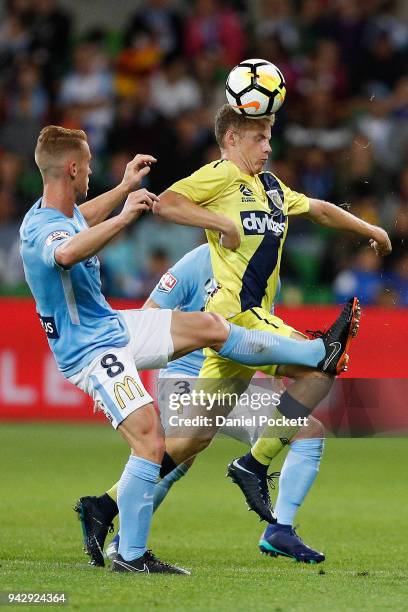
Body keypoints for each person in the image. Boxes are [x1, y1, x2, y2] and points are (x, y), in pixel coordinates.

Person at [20, 126, 352, 574]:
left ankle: (313, 355)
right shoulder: (41, 229)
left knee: (212, 326)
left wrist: (122, 190)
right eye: (90, 167)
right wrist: (123, 217)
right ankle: (131, 555)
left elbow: (78, 222)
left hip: (113, 325)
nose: (91, 174)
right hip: (89, 350)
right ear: (74, 168)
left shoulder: (61, 215)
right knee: (152, 440)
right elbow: (66, 253)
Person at [153, 104, 391, 523]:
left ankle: (106, 505)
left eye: (268, 137)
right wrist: (219, 223)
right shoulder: (223, 173)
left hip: (238, 331)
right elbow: (167, 204)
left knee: (188, 443)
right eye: (258, 138)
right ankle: (254, 464)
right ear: (230, 140)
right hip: (238, 317)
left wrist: (367, 229)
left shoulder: (271, 187)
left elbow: (317, 208)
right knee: (323, 361)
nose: (267, 146)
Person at [77, 244, 326, 566]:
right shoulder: (196, 262)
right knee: (184, 451)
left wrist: (274, 382)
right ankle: (123, 537)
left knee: (308, 430)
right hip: (183, 376)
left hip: (233, 380)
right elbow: (149, 316)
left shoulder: (266, 271)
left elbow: (263, 334)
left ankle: (280, 530)